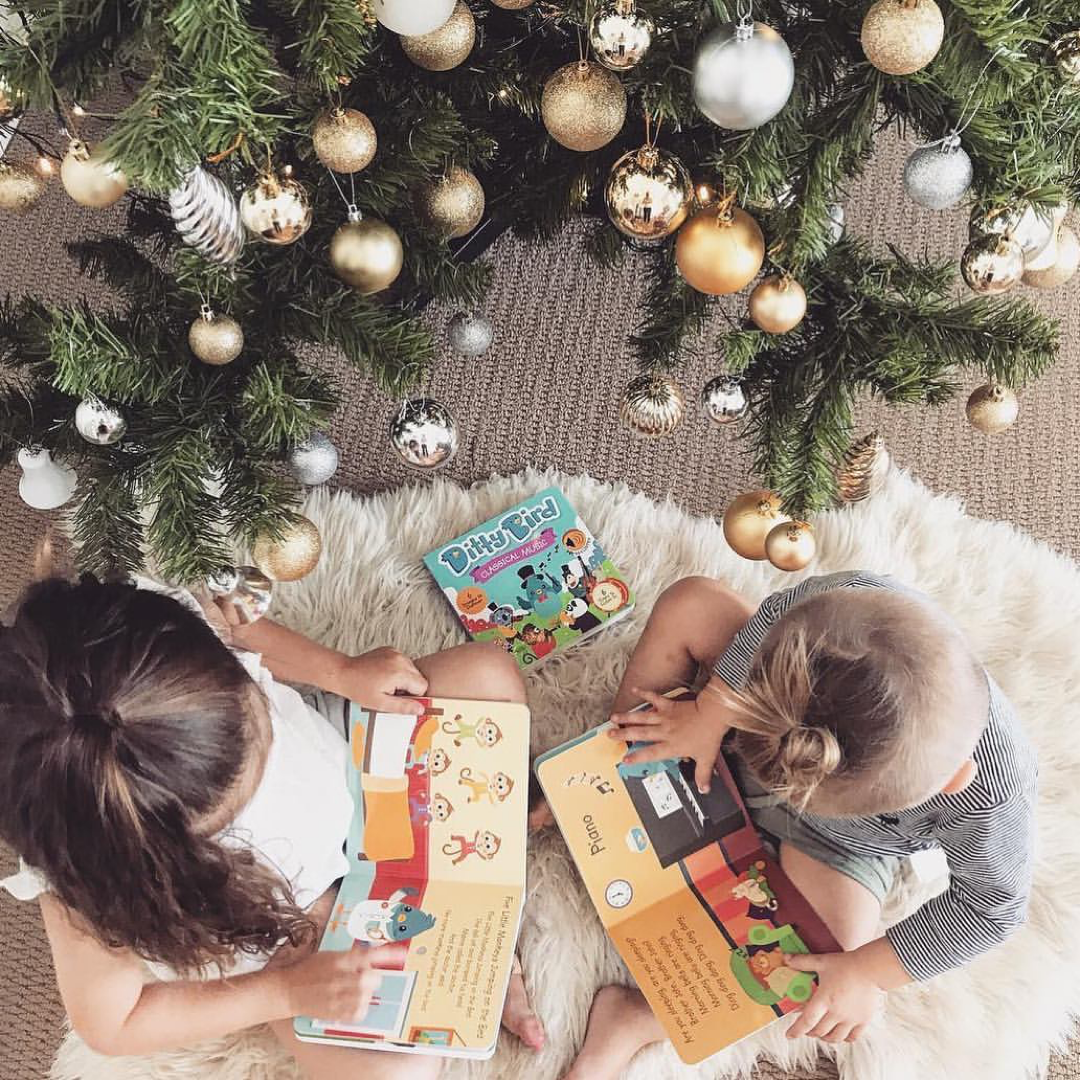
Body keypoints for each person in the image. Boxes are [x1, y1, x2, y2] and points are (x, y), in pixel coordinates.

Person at [0, 574, 544, 1080]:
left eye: (251, 704)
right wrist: (285, 992)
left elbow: (239, 627)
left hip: (350, 763)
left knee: (485, 674)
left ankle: (484, 909)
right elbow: (113, 1025)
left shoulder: (154, 639)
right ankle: (481, 942)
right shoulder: (83, 877)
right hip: (288, 925)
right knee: (396, 1072)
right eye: (232, 809)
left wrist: (340, 671)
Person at [564, 571, 1036, 1080]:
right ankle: (613, 763)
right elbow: (771, 614)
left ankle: (636, 1018)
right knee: (693, 604)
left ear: (953, 782)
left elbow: (992, 909)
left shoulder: (992, 795)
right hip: (751, 719)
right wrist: (709, 711)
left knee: (819, 969)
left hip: (834, 844)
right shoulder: (855, 604)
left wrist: (864, 973)